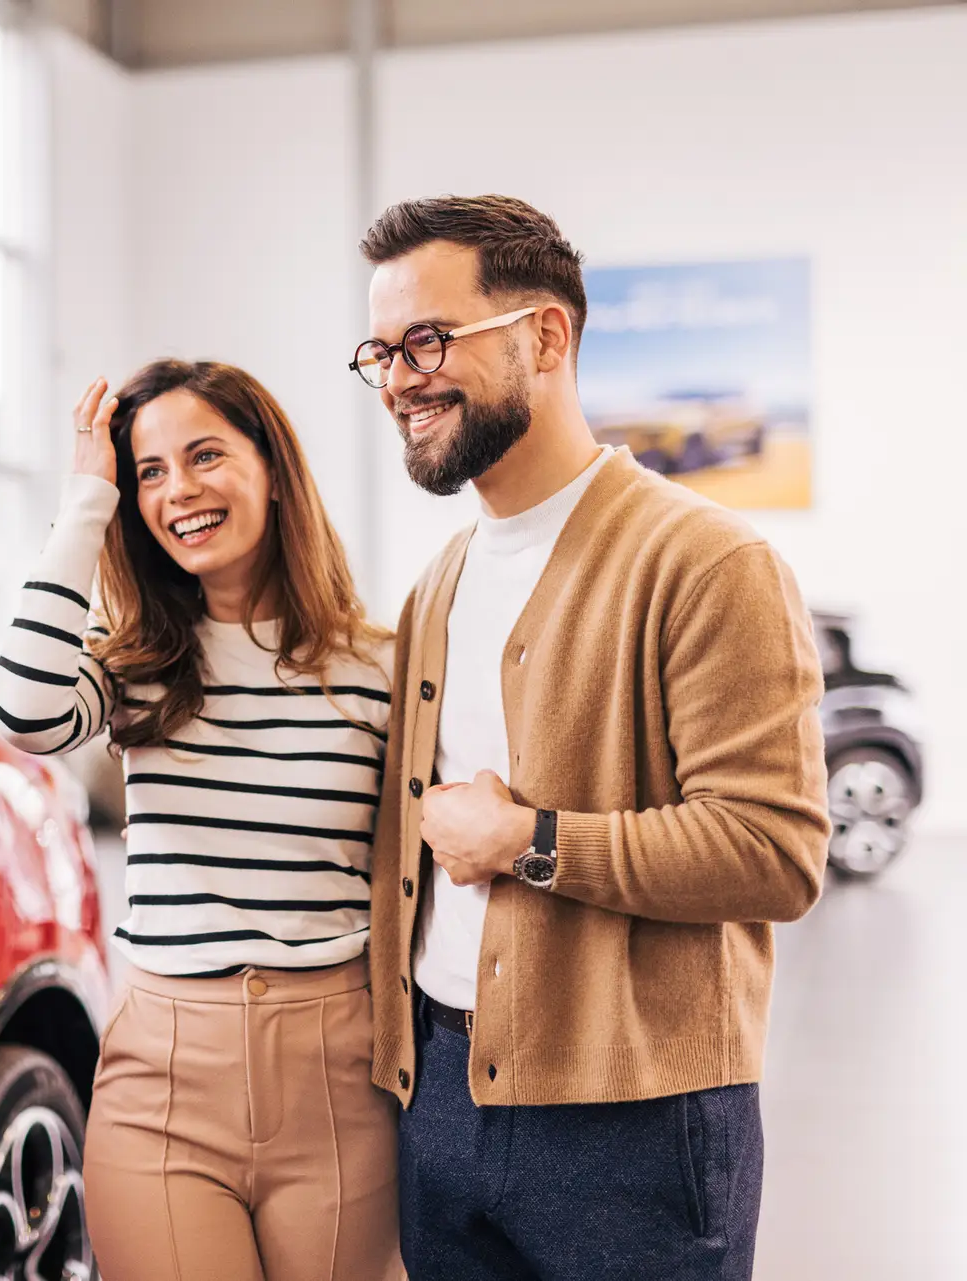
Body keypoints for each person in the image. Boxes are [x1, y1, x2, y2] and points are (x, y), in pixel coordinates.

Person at [352, 194, 829, 1280]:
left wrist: (528, 840)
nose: (397, 381)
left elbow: (776, 852)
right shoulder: (440, 584)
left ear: (546, 336)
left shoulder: (706, 563)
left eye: (428, 341)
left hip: (637, 1125)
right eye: (380, 353)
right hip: (443, 1094)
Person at [0, 360, 403, 1281]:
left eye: (205, 454)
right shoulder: (134, 667)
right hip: (164, 1075)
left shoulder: (379, 664)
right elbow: (21, 711)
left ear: (271, 466)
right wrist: (85, 498)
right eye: (149, 471)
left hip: (337, 1075)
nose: (178, 489)